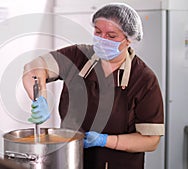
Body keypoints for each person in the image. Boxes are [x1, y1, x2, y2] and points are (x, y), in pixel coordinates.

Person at [22, 3, 164, 169]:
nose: (103, 39)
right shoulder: (78, 56)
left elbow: (151, 141)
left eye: (111, 36)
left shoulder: (143, 79)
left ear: (128, 40)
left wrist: (106, 141)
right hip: (71, 160)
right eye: (98, 32)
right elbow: (34, 68)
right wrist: (40, 97)